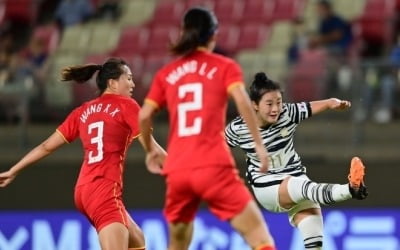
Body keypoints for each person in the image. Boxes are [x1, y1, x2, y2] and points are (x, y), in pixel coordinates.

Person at [139, 7, 276, 250]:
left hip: (178, 170)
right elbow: (243, 100)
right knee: (259, 236)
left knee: (177, 243)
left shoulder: (166, 74)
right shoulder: (224, 66)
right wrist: (258, 144)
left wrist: (151, 149)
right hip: (213, 165)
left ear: (184, 34)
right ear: (214, 35)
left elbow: (144, 115)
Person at [0, 58, 166, 250]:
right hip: (104, 189)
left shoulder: (83, 111)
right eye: (128, 78)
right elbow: (151, 148)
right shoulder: (126, 105)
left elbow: (47, 146)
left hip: (83, 190)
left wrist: (15, 169)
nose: (133, 83)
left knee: (137, 239)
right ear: (112, 83)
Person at [225, 72, 368, 250]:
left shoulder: (288, 113)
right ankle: (351, 189)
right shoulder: (238, 128)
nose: (276, 109)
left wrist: (331, 102)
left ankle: (352, 189)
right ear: (254, 105)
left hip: (294, 175)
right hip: (266, 185)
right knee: (305, 187)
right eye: (269, 104)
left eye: (278, 102)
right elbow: (218, 147)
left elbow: (310, 107)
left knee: (315, 240)